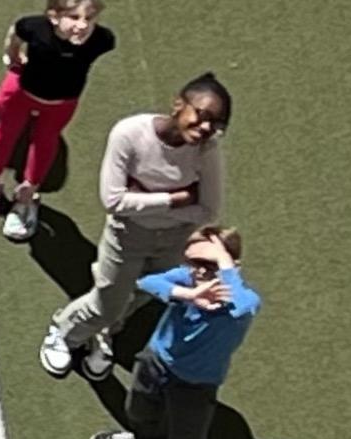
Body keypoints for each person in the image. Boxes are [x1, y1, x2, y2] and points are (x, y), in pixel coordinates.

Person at [41, 73, 233, 380]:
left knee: (146, 292)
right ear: (178, 105)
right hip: (126, 235)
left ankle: (105, 332)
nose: (207, 128)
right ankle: (64, 332)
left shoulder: (207, 152)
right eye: (202, 115)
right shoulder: (129, 134)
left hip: (173, 239)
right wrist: (176, 199)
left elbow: (209, 209)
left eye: (217, 123)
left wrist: (145, 202)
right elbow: (113, 201)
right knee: (107, 301)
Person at [87, 228, 262, 439]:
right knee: (137, 409)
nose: (198, 271)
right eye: (194, 261)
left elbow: (241, 304)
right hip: (154, 361)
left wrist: (222, 266)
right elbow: (148, 282)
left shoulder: (242, 301)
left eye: (208, 264)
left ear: (232, 265)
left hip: (195, 385)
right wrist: (190, 295)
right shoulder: (187, 279)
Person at [0, 0, 116, 241]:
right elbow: (16, 33)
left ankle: (27, 194)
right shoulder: (35, 28)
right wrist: (11, 54)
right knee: (5, 133)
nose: (82, 25)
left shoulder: (102, 40)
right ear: (54, 17)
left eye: (89, 18)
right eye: (74, 17)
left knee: (44, 142)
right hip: (23, 93)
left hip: (61, 103)